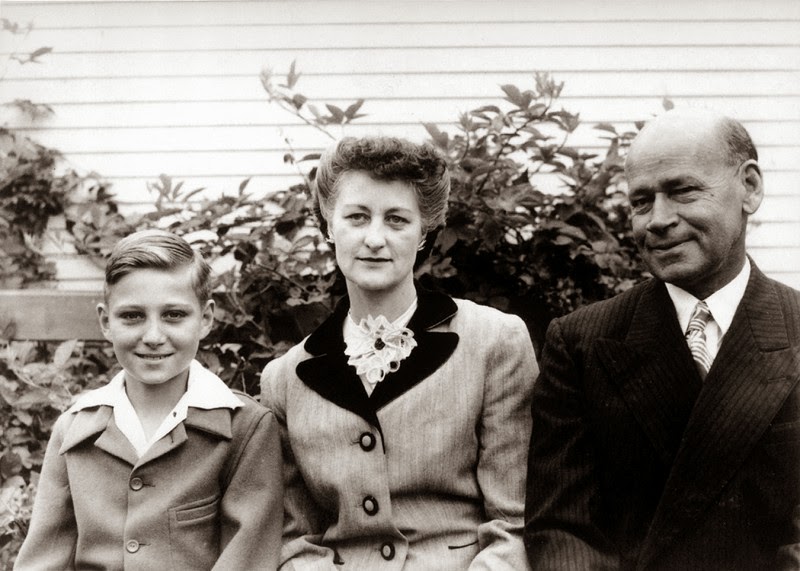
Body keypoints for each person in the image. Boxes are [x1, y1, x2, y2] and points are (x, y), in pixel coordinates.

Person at [524, 109, 800, 570]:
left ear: (749, 188)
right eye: (641, 201)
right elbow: (563, 528)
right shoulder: (581, 344)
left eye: (682, 191)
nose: (657, 219)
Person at [261, 136, 538, 570]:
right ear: (329, 225)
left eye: (396, 219)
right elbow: (296, 539)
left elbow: (514, 523)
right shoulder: (285, 378)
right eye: (357, 217)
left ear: (424, 231)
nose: (375, 239)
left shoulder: (494, 342)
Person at [15, 229, 283, 570]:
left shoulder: (245, 428)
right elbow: (42, 560)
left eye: (174, 315)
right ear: (105, 322)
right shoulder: (75, 430)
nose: (153, 336)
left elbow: (248, 558)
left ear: (206, 319)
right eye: (132, 316)